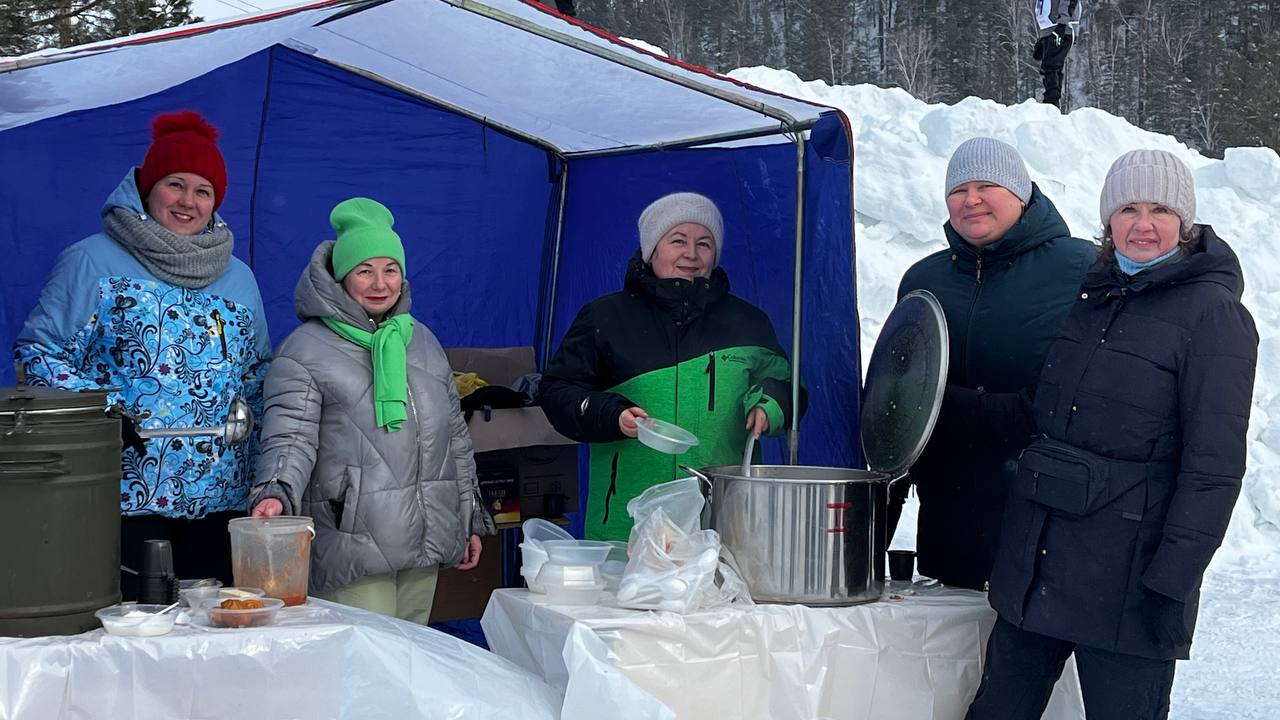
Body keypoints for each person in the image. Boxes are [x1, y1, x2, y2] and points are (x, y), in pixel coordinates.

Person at [969, 150, 1258, 719]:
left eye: (1160, 209)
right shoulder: (1095, 295)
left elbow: (1214, 467)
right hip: (1040, 562)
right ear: (1108, 221)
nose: (1142, 225)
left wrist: (1171, 580)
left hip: (1130, 580)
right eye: (1127, 208)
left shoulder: (1213, 314)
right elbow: (1049, 414)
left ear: (1186, 222)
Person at [13, 110, 270, 598]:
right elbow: (38, 355)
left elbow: (259, 372)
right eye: (175, 184)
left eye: (203, 191)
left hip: (219, 497)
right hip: (122, 493)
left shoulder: (239, 278)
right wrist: (105, 411)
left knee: (209, 638)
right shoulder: (92, 260)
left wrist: (257, 464)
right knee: (131, 635)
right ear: (147, 187)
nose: (187, 202)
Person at [247, 197, 494, 624]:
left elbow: (455, 438)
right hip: (354, 538)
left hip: (426, 536)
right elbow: (290, 436)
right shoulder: (305, 349)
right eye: (365, 271)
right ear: (342, 278)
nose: (380, 283)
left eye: (390, 269)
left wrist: (468, 514)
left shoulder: (422, 342)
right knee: (365, 668)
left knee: (408, 663)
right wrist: (275, 491)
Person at [890, 137, 1095, 590]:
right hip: (950, 512)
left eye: (987, 185)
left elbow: (1091, 392)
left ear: (1021, 194)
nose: (972, 200)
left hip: (1042, 514)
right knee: (945, 654)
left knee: (1026, 654)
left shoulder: (1082, 268)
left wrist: (968, 410)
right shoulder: (924, 279)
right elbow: (900, 391)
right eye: (959, 190)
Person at [540, 192, 804, 542]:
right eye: (677, 241)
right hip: (627, 523)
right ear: (653, 250)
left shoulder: (749, 322)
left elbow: (788, 386)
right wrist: (610, 414)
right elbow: (558, 392)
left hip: (724, 522)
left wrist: (771, 404)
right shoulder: (605, 318)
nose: (691, 255)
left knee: (721, 594)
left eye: (704, 244)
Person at [1033, 0, 1082, 108]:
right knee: (1048, 68)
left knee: (1051, 66)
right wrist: (1041, 38)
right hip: (1049, 29)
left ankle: (1051, 103)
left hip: (1062, 28)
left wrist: (1062, 25)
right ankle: (1051, 104)